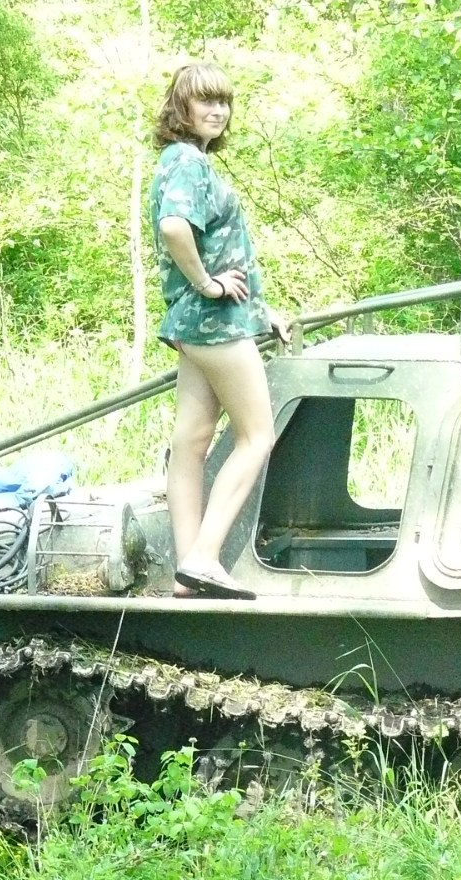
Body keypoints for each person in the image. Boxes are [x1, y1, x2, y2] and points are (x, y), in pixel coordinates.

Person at [150, 62, 290, 601]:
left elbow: (216, 246)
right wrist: (208, 285)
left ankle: (187, 571)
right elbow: (174, 228)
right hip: (214, 324)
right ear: (180, 109)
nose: (217, 110)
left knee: (191, 441)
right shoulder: (188, 161)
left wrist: (259, 309)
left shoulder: (177, 160)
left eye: (223, 101)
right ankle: (205, 559)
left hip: (196, 322)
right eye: (205, 101)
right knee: (257, 436)